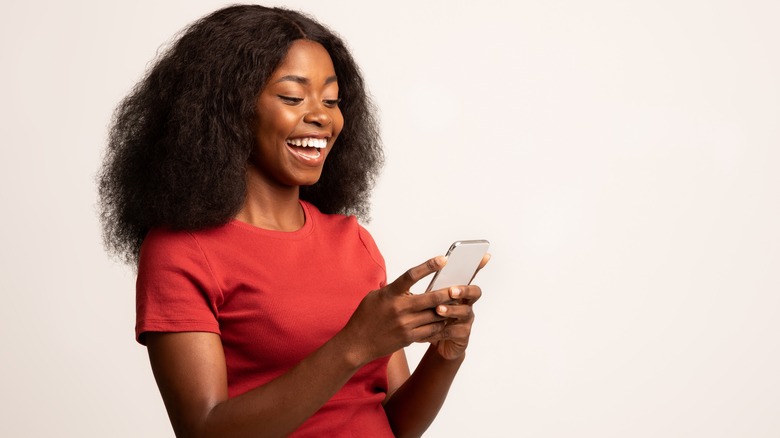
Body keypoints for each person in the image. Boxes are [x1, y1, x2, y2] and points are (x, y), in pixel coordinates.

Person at [98, 5, 488, 437]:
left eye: (332, 100)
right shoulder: (182, 251)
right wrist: (353, 345)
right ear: (228, 109)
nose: (321, 116)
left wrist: (445, 354)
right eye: (292, 97)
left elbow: (397, 424)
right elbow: (202, 429)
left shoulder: (352, 241)